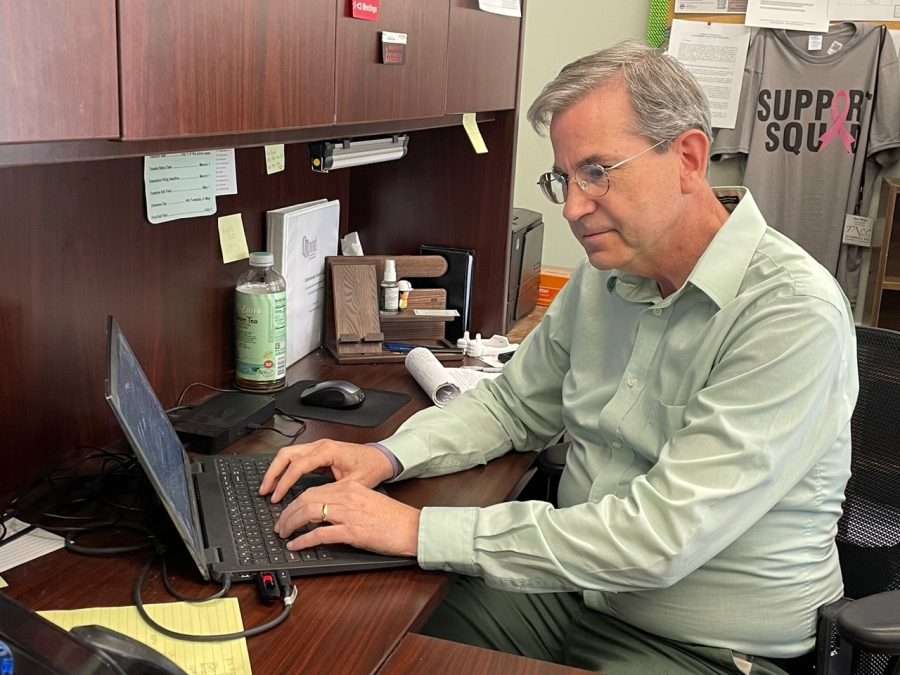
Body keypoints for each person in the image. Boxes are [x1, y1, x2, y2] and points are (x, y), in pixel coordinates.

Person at [259, 41, 858, 675]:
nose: (572, 207)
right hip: (571, 597)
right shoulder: (608, 275)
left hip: (708, 649)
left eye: (598, 171)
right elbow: (513, 404)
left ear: (687, 158)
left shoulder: (791, 313)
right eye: (564, 179)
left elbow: (658, 538)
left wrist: (415, 531)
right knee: (352, 634)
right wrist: (384, 456)